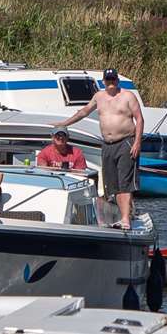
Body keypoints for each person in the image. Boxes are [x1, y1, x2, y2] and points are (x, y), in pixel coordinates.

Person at [56, 69, 143, 230]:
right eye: (108, 80)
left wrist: (137, 142)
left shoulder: (127, 96)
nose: (111, 83)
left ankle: (125, 219)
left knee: (125, 183)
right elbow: (83, 112)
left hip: (126, 142)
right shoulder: (99, 97)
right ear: (103, 81)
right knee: (112, 185)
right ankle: (120, 215)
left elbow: (139, 118)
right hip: (107, 144)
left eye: (113, 79)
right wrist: (64, 124)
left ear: (117, 80)